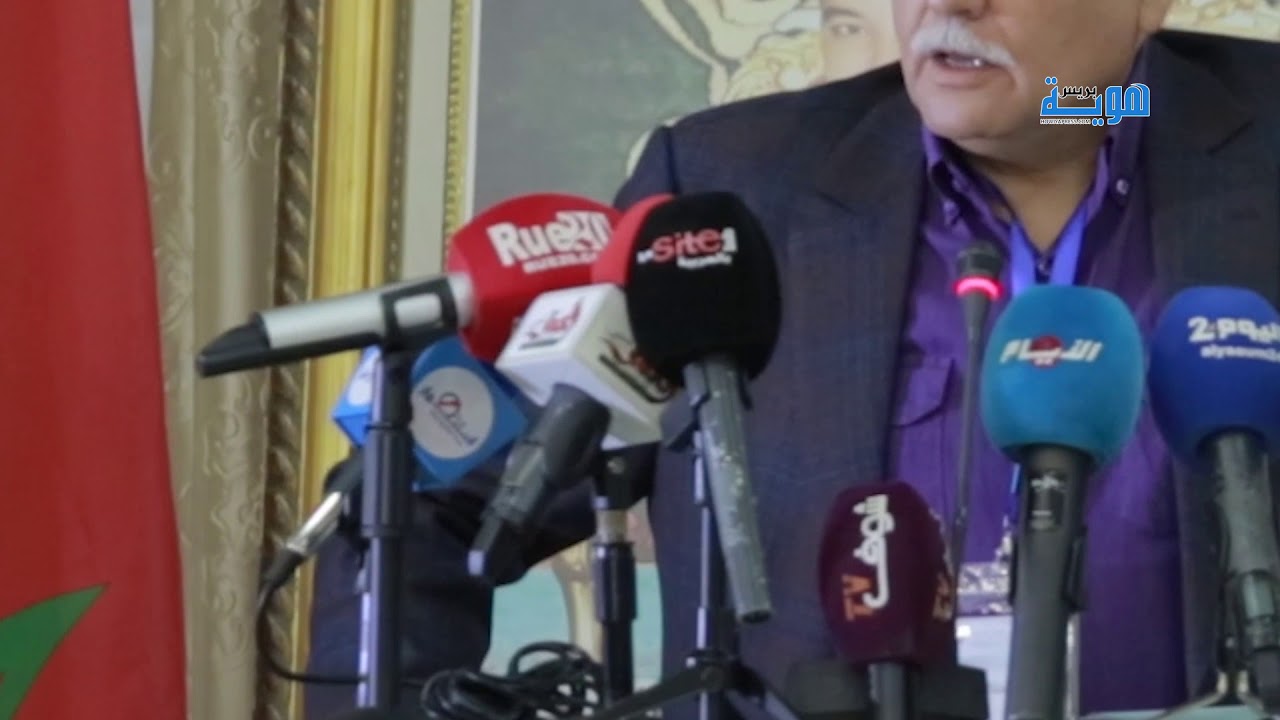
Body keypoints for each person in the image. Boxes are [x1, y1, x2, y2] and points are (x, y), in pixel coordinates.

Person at [306, 0, 1280, 717]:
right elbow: (421, 485)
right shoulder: (733, 192)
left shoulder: (1232, 137)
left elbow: (1091, 104)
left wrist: (1084, 106)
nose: (950, 5)